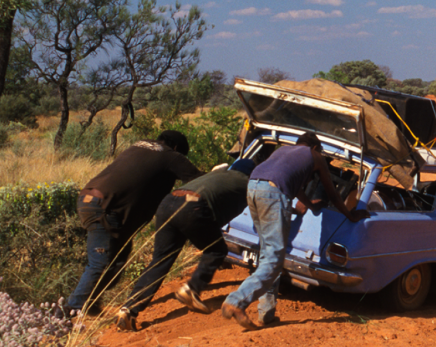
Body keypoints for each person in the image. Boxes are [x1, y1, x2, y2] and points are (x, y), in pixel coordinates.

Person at [221, 132, 369, 329]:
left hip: (253, 187)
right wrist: (350, 216)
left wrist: (309, 204)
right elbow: (332, 194)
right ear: (315, 147)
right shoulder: (314, 156)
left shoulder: (283, 151)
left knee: (268, 254)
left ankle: (266, 313)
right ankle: (236, 301)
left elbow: (296, 187)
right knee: (273, 259)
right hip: (273, 193)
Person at [66, 130, 202, 316]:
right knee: (101, 263)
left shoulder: (139, 145)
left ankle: (91, 305)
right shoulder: (171, 155)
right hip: (106, 208)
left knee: (118, 259)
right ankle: (71, 310)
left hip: (90, 198)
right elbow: (198, 180)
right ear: (177, 148)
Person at [114, 159, 257, 331]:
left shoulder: (218, 174)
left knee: (160, 261)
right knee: (217, 250)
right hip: (193, 207)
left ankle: (128, 309)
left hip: (169, 202)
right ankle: (191, 289)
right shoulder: (246, 183)